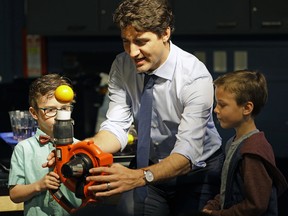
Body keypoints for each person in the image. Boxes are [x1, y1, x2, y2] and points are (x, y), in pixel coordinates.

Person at [45, 0, 223, 215]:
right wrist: (78, 153)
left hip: (197, 174)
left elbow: (187, 155)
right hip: (150, 169)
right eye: (125, 42)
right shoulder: (122, 66)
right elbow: (116, 127)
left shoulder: (194, 77)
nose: (132, 52)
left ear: (165, 33)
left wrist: (138, 176)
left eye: (141, 41)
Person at [202, 70, 288, 215]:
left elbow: (256, 205)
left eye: (222, 105)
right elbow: (229, 189)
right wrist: (214, 205)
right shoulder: (233, 143)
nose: (216, 110)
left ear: (247, 108)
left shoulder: (253, 150)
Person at [8, 74, 81, 216]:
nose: (59, 115)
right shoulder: (23, 148)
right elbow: (14, 194)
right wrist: (38, 186)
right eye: (50, 110)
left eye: (65, 108)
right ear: (34, 113)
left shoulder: (80, 147)